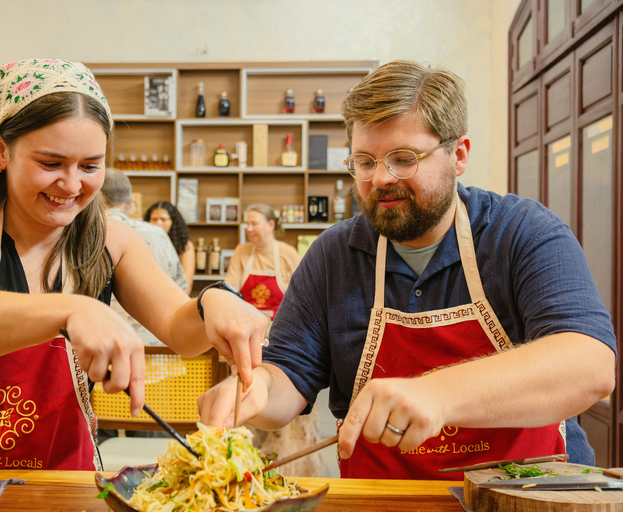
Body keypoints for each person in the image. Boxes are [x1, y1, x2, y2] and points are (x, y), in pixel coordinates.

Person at [198, 60, 617, 480]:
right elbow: (289, 373)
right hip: (384, 500)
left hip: (526, 495)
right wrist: (255, 390)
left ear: (459, 155)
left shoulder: (522, 233)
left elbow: (590, 365)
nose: (381, 178)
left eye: (404, 158)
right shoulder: (333, 256)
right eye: (364, 161)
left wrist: (438, 394)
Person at [0, 59, 267, 471]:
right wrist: (74, 309)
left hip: (63, 480)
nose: (71, 185)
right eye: (50, 164)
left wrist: (213, 302)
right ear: (0, 150)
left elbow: (181, 331)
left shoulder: (111, 241)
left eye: (90, 166)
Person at [224, 204, 323, 476]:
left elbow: (302, 299)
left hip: (283, 341)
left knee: (288, 418)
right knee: (249, 411)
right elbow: (230, 290)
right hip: (248, 342)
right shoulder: (243, 253)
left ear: (270, 225)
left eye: (255, 223)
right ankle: (245, 471)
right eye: (246, 223)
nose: (249, 228)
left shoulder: (288, 254)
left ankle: (289, 471)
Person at [101, 168, 188, 345]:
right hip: (161, 349)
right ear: (131, 201)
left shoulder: (89, 233)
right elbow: (181, 289)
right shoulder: (157, 233)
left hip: (108, 349)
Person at [144, 201, 196, 294]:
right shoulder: (143, 242)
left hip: (175, 296)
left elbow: (186, 284)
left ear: (173, 222)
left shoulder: (185, 245)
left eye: (163, 219)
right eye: (154, 219)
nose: (158, 223)